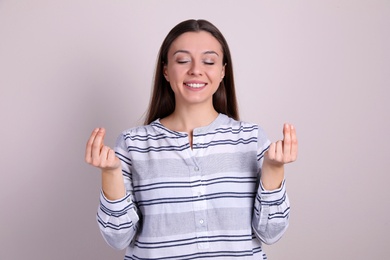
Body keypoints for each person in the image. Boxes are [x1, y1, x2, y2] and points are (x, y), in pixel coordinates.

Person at [85, 19, 298, 260]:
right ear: (166, 70)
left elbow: (271, 233)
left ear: (222, 71)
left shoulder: (251, 140)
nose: (196, 70)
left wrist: (274, 169)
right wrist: (111, 173)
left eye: (209, 61)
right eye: (183, 60)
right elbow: (117, 238)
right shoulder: (133, 145)